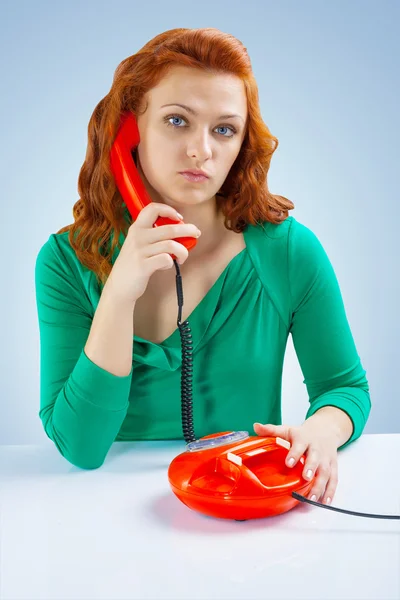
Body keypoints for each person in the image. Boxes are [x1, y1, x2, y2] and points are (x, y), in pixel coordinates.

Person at [35, 27, 371, 506]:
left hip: (243, 510)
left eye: (224, 129)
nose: (202, 151)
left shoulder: (289, 251)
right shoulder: (65, 262)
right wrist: (119, 292)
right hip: (101, 520)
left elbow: (345, 387)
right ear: (128, 133)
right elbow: (81, 449)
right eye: (177, 121)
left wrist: (321, 430)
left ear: (241, 143)